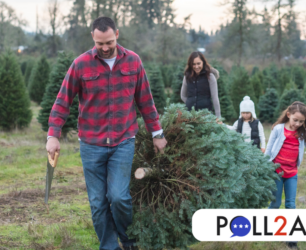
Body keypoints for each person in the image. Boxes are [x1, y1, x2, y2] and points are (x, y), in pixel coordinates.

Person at [46, 17, 167, 250]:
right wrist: (53, 135)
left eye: (109, 42)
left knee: (119, 197)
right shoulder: (81, 64)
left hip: (123, 141)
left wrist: (157, 133)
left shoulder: (133, 61)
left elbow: (146, 101)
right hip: (91, 144)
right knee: (98, 202)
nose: (104, 47)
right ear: (93, 37)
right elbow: (62, 100)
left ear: (117, 35)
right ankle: (109, 246)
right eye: (100, 43)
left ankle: (129, 243)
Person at [265, 101, 306, 249]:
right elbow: (268, 150)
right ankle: (265, 226)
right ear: (288, 115)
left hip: (292, 174)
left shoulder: (303, 134)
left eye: (301, 121)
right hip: (276, 172)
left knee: (291, 204)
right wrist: (263, 168)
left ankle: (291, 237)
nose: (297, 124)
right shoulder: (278, 129)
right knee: (275, 203)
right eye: (295, 120)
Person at [180, 51, 221, 121]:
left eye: (198, 63)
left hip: (206, 116)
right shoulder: (187, 77)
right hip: (190, 116)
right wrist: (190, 103)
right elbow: (183, 96)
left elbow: (215, 98)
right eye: (193, 64)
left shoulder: (210, 77)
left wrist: (218, 117)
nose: (196, 66)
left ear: (203, 62)